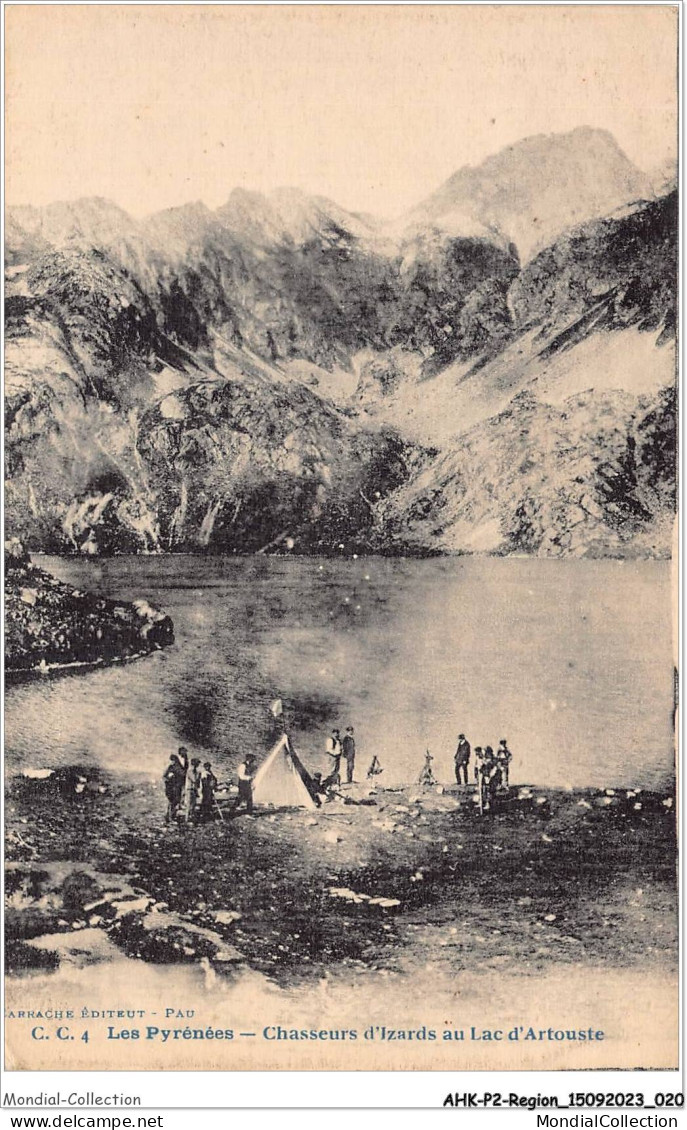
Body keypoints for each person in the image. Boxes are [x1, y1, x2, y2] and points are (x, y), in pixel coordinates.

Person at [163, 749, 187, 822]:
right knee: (174, 801)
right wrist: (169, 779)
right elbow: (164, 776)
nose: (172, 762)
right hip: (173, 787)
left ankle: (170, 816)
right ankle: (170, 817)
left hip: (176, 787)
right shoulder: (173, 767)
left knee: (174, 801)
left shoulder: (177, 766)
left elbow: (183, 773)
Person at [184, 757, 202, 823]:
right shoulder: (190, 771)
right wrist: (199, 775)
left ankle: (191, 818)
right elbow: (194, 779)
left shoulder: (196, 771)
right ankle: (187, 819)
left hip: (194, 789)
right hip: (189, 789)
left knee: (193, 805)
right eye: (197, 764)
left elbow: (198, 783)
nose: (198, 765)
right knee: (189, 805)